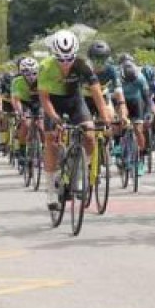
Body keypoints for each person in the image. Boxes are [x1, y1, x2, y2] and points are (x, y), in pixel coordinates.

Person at [38, 31, 112, 211]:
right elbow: (45, 99)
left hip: (74, 101)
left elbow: (97, 95)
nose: (65, 63)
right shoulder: (45, 66)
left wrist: (106, 118)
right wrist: (54, 118)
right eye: (60, 59)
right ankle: (50, 190)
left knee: (89, 135)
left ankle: (79, 172)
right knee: (51, 142)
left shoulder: (82, 65)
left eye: (69, 58)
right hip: (53, 103)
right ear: (53, 55)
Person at [119, 60, 154, 175]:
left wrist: (148, 112)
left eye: (132, 80)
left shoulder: (140, 78)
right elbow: (111, 96)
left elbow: (147, 98)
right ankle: (118, 146)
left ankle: (140, 157)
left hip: (136, 102)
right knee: (119, 124)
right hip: (121, 101)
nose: (130, 82)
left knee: (138, 129)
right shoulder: (118, 78)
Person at [10, 58, 43, 168]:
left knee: (42, 125)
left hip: (38, 102)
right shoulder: (17, 81)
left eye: (34, 73)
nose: (31, 76)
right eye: (27, 73)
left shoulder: (42, 80)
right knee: (26, 123)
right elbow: (16, 100)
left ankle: (43, 151)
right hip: (24, 102)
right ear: (21, 73)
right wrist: (20, 113)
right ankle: (22, 151)